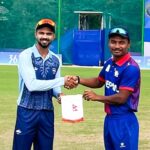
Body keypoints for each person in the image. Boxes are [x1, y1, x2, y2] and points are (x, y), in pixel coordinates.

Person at [12, 18, 77, 150]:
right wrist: (63, 80)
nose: (44, 37)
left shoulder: (55, 59)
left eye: (48, 34)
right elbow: (32, 85)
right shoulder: (26, 55)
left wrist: (59, 94)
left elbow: (55, 86)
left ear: (53, 36)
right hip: (26, 111)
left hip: (47, 113)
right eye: (41, 33)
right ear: (36, 34)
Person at [75, 27, 141, 150]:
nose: (117, 46)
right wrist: (78, 79)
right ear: (108, 43)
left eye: (121, 42)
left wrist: (97, 97)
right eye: (113, 42)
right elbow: (99, 81)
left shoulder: (131, 68)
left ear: (128, 44)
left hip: (124, 120)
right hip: (110, 119)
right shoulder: (109, 63)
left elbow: (121, 98)